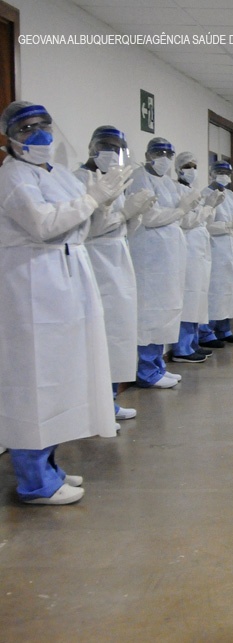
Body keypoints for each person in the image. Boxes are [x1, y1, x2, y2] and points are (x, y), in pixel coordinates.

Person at [0, 102, 128, 504]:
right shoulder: (14, 176)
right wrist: (92, 200)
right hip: (32, 282)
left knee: (58, 378)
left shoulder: (50, 172)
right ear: (10, 138)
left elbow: (80, 223)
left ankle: (49, 467)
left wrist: (102, 201)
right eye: (26, 129)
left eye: (43, 125)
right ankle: (33, 481)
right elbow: (43, 224)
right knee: (33, 382)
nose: (38, 135)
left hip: (64, 277)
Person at [75, 126, 155, 421]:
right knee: (101, 333)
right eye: (106, 146)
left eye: (116, 147)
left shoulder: (116, 180)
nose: (111, 152)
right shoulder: (80, 180)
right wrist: (124, 213)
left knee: (118, 332)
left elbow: (121, 224)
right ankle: (95, 406)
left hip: (118, 257)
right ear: (92, 147)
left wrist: (134, 213)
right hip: (97, 260)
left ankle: (108, 401)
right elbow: (87, 227)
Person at [127, 137, 199, 388]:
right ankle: (147, 370)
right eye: (158, 153)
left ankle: (158, 365)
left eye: (169, 154)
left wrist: (184, 210)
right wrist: (180, 211)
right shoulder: (140, 178)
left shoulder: (167, 182)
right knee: (150, 312)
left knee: (166, 310)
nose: (164, 159)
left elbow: (178, 217)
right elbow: (149, 217)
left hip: (168, 255)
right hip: (150, 256)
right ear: (147, 154)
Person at [171, 151, 222, 363]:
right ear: (178, 168)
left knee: (198, 296)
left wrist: (209, 207)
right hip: (188, 247)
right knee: (189, 296)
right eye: (187, 166)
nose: (191, 170)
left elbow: (200, 218)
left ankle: (192, 343)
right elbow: (188, 220)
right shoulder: (175, 189)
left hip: (199, 247)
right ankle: (182, 348)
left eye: (194, 166)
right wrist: (208, 207)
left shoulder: (191, 190)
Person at [198, 161, 233, 348]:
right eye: (219, 172)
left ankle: (224, 329)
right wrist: (227, 226)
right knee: (214, 291)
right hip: (215, 247)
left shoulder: (230, 195)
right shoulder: (205, 195)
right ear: (211, 174)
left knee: (229, 290)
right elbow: (205, 223)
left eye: (227, 173)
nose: (224, 176)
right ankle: (206, 332)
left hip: (230, 247)